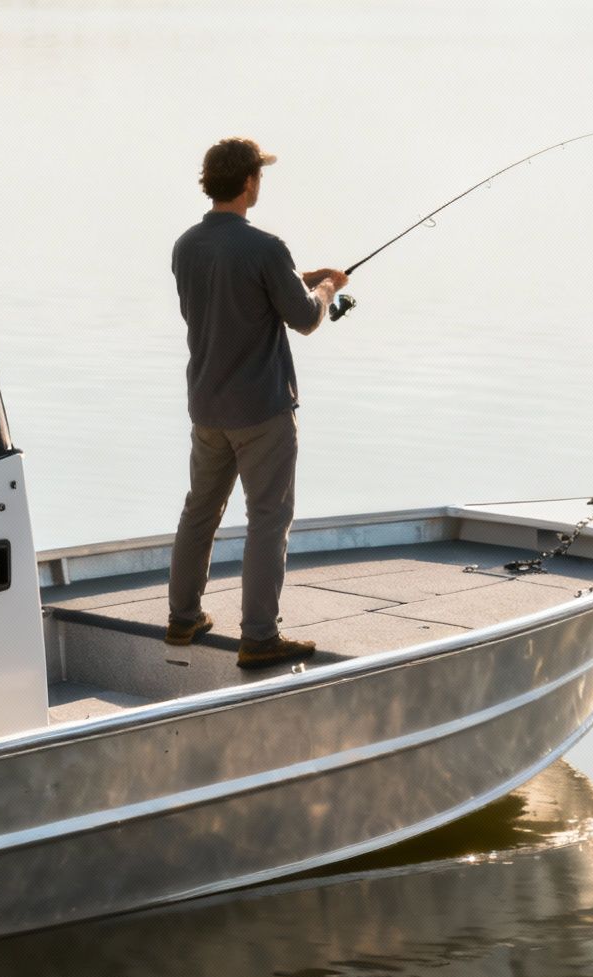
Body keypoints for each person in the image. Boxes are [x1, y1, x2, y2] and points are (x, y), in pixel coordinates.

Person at [165, 137, 347, 670]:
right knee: (268, 519)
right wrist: (328, 289)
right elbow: (306, 319)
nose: (260, 183)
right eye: (259, 176)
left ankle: (183, 618)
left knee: (199, 511)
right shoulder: (267, 246)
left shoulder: (186, 245)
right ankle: (260, 637)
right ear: (247, 182)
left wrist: (304, 279)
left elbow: (225, 300)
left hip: (206, 407)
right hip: (262, 411)